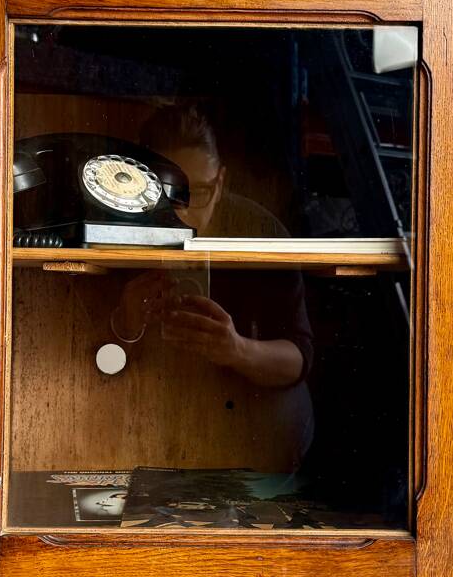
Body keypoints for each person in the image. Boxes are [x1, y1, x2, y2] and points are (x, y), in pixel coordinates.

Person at [111, 103, 313, 393]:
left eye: (201, 191)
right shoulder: (116, 231)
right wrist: (125, 325)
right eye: (168, 193)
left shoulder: (261, 232)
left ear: (220, 184)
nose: (183, 213)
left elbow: (300, 357)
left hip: (255, 416)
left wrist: (237, 350)